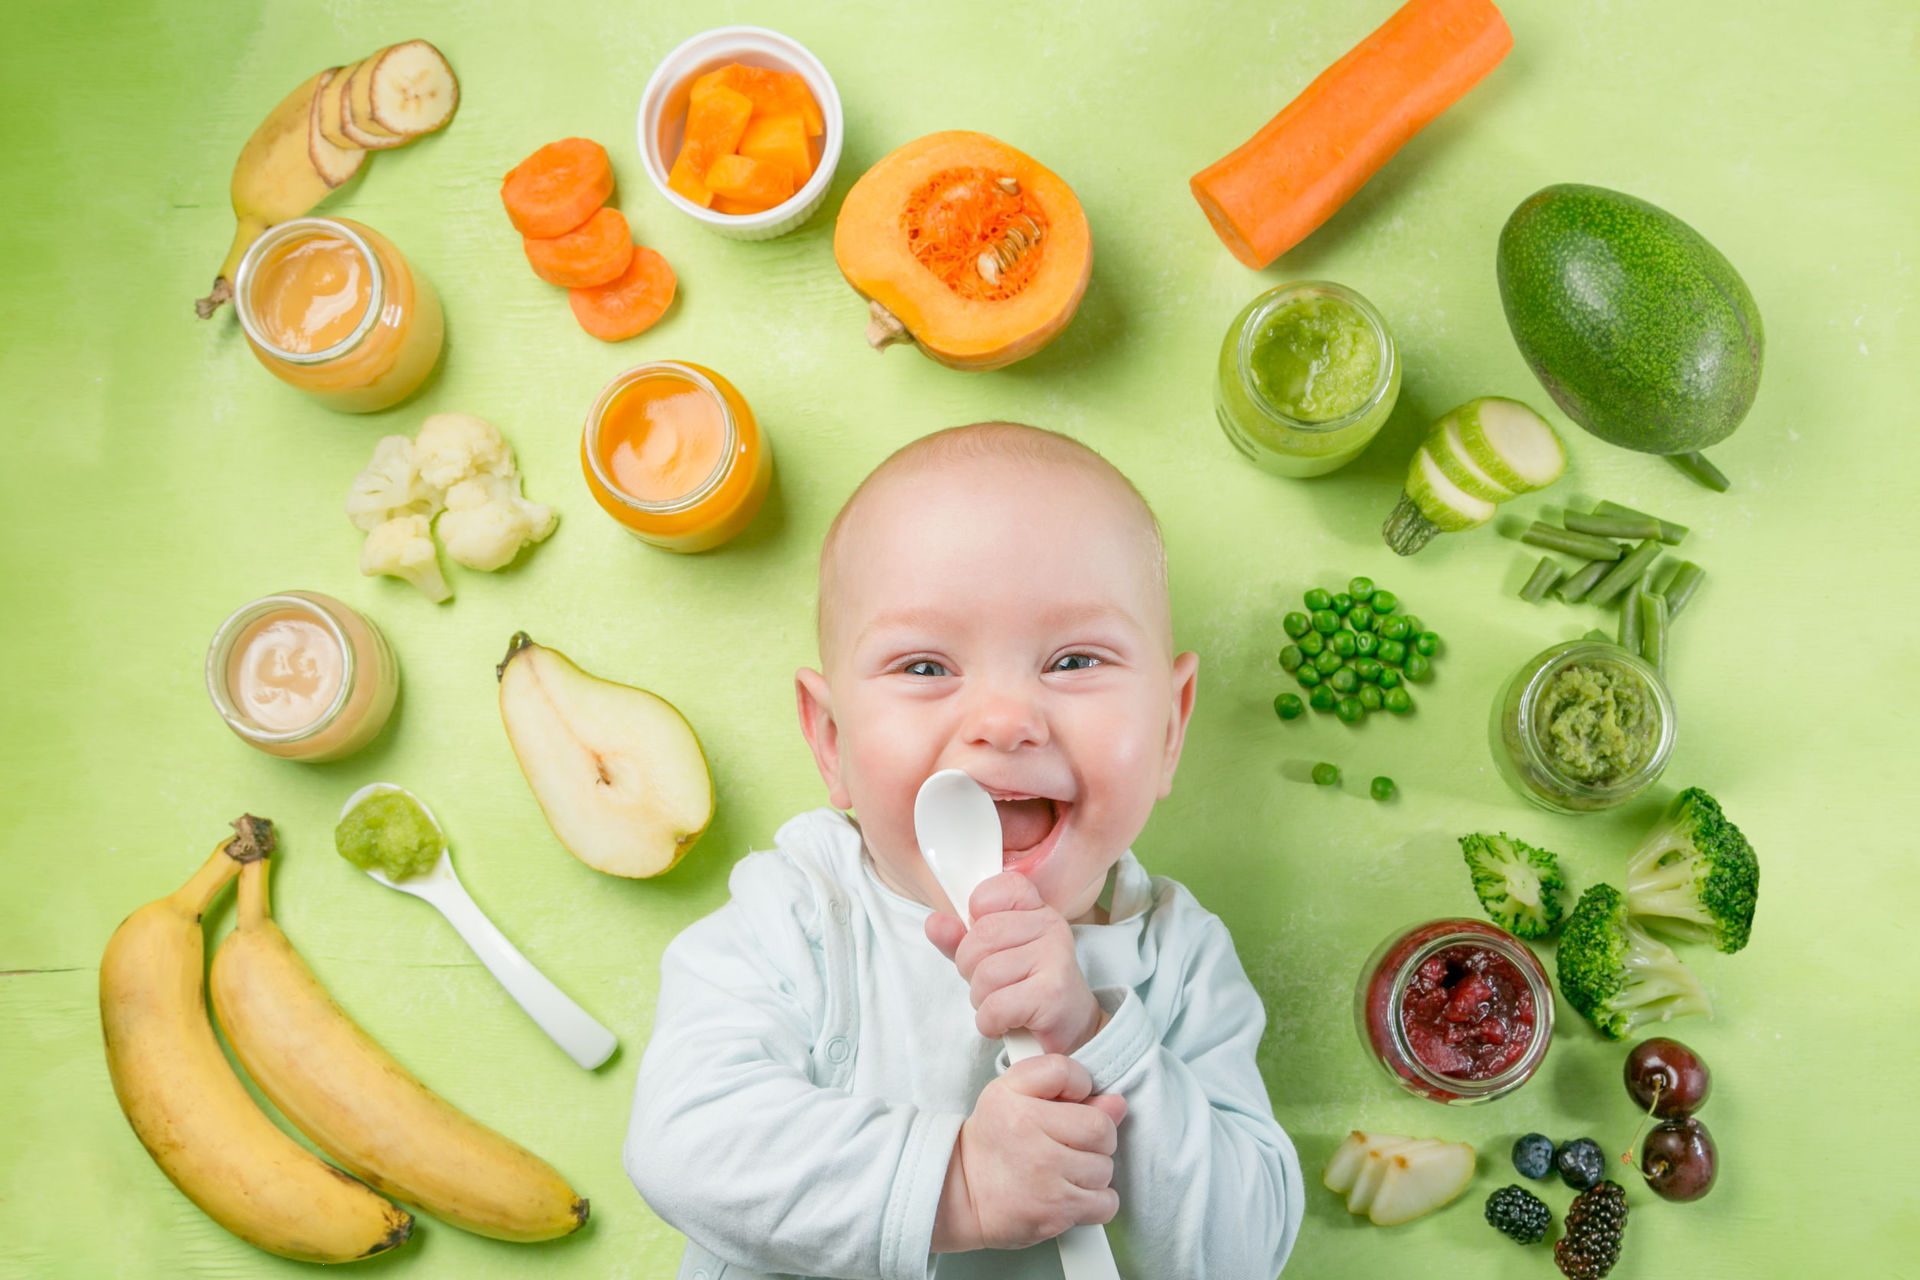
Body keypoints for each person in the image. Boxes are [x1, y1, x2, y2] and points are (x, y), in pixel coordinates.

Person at [626, 422, 1302, 1279]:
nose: (1005, 719)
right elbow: (683, 1142)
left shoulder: (1180, 961)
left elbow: (1246, 1252)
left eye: (1073, 658)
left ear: (1170, 728)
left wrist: (1094, 1038)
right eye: (923, 668)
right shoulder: (797, 913)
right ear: (831, 741)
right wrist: (959, 1184)